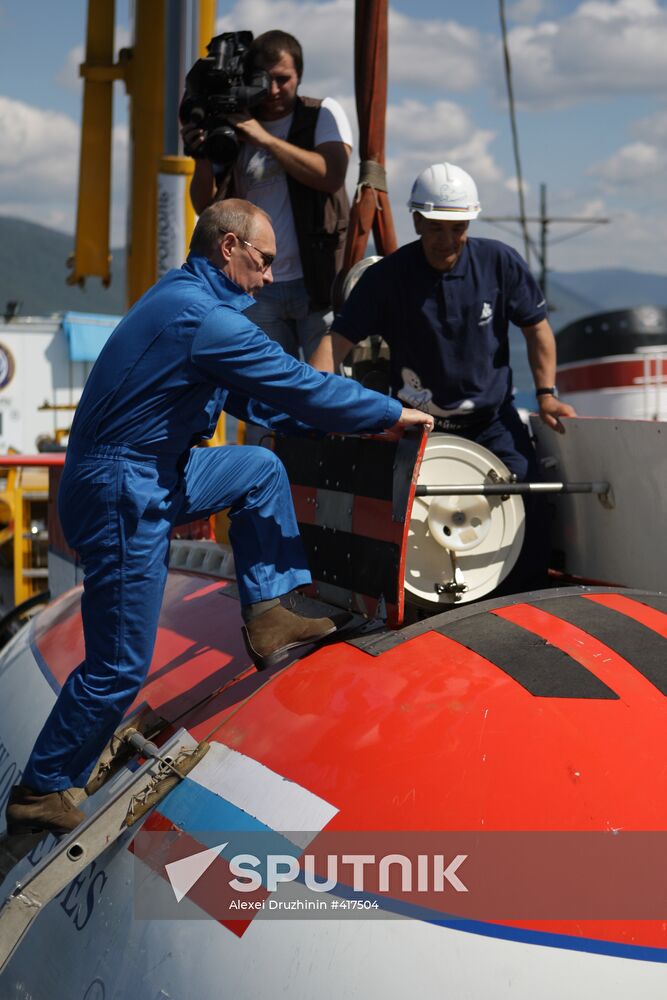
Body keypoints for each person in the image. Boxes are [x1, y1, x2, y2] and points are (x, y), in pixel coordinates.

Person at [5, 199, 432, 839]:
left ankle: (268, 615)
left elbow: (261, 399)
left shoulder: (185, 303)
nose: (267, 279)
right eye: (262, 263)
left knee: (258, 471)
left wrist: (339, 423)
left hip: (149, 468)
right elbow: (296, 383)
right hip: (125, 486)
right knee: (120, 664)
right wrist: (383, 413)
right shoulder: (202, 319)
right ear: (229, 249)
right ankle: (40, 789)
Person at [311, 161, 576, 588]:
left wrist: (546, 393)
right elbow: (335, 341)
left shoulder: (500, 263)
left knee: (532, 495)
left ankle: (523, 599)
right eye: (436, 228)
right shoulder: (388, 277)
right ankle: (409, 606)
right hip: (418, 426)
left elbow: (537, 329)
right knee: (397, 511)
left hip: (491, 421)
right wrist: (316, 400)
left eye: (457, 228)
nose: (447, 240)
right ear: (416, 220)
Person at [182, 29, 351, 361]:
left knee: (328, 394)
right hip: (260, 287)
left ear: (299, 76)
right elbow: (206, 206)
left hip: (319, 283)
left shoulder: (321, 114)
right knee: (270, 398)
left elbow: (331, 175)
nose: (274, 89)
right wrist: (200, 154)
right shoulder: (233, 125)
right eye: (264, 79)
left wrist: (265, 140)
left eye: (283, 79)